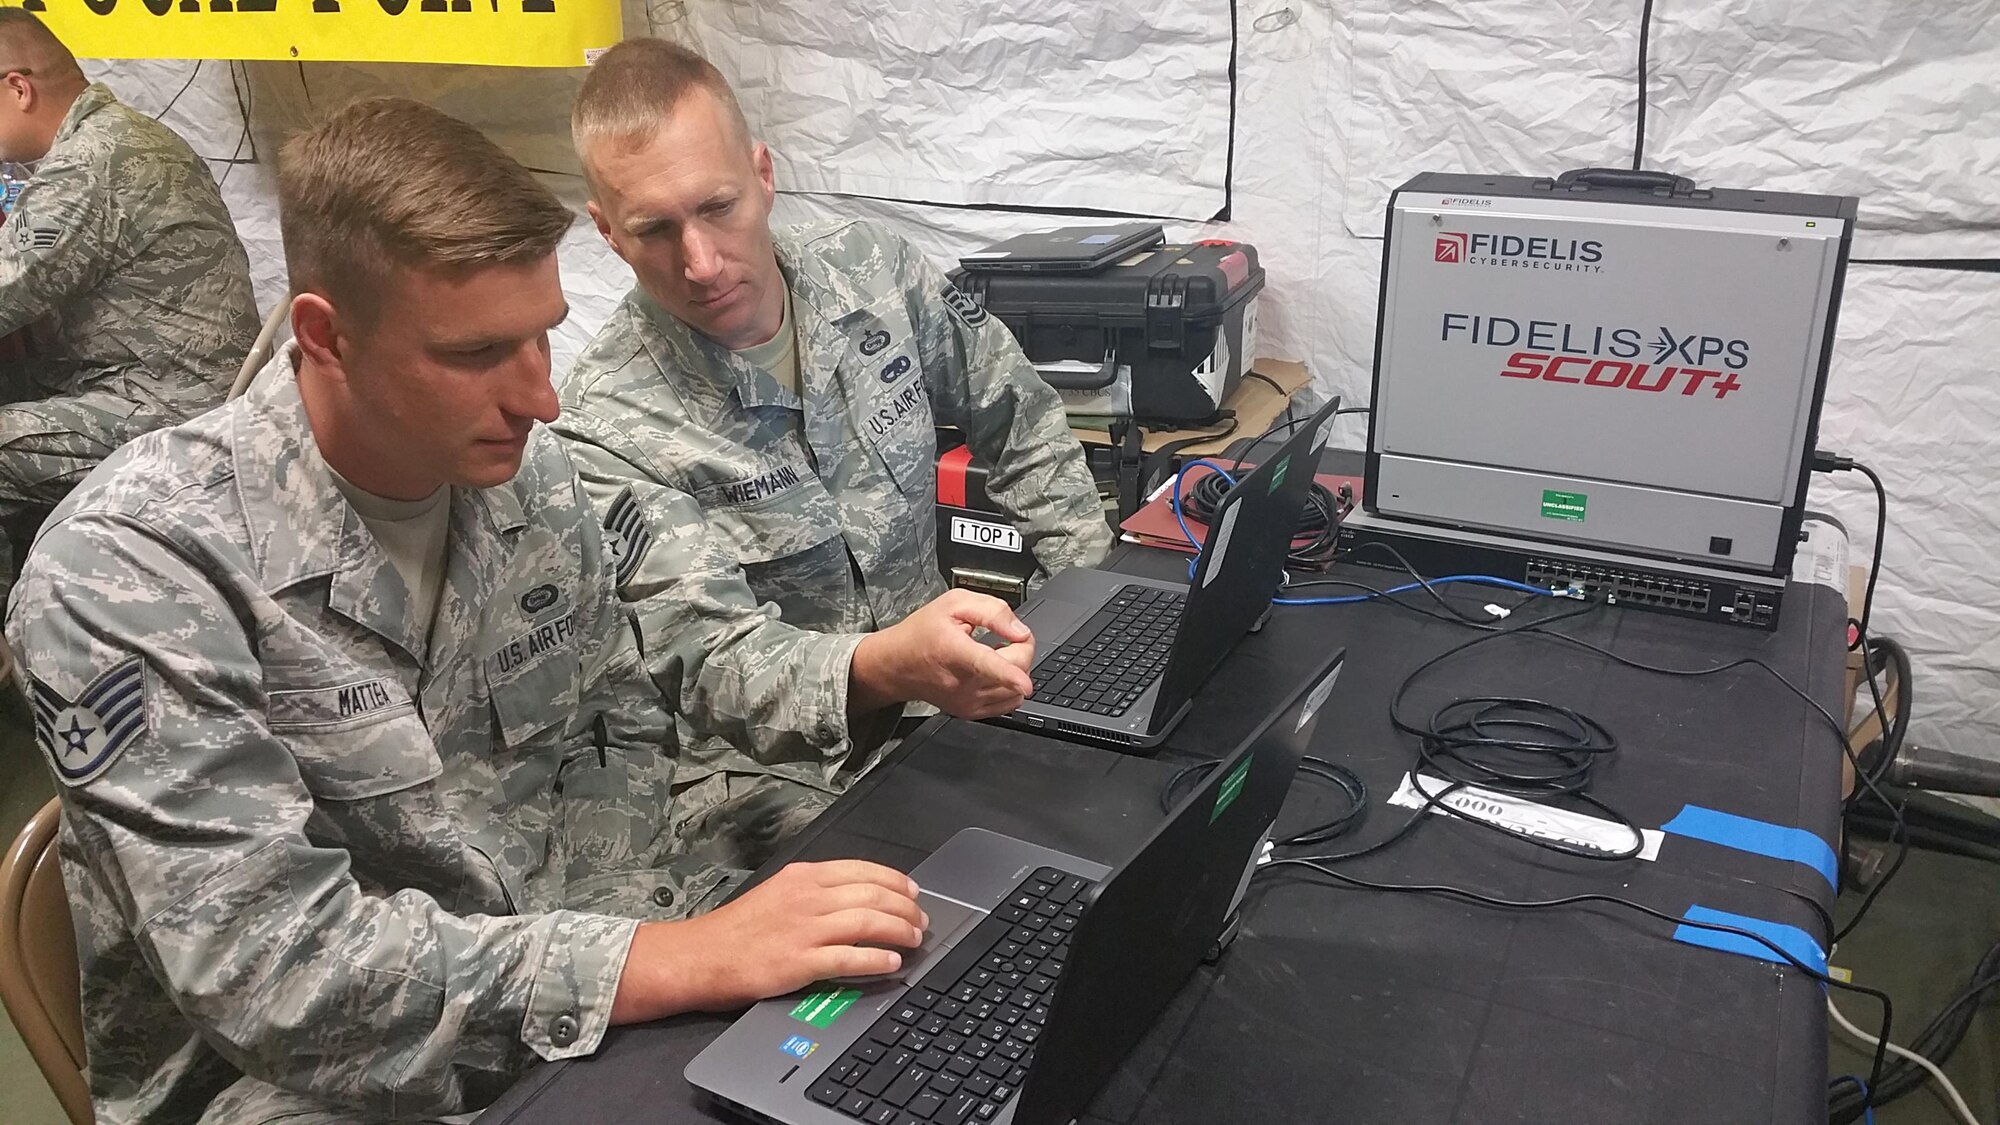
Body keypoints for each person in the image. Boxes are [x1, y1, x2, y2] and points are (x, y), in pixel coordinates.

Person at [6, 97, 925, 1125]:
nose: (542, 399)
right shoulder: (132, 573)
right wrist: (670, 961)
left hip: (557, 952)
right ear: (324, 335)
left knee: (906, 951)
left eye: (540, 340)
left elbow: (666, 669)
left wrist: (869, 673)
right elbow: (275, 975)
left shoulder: (519, 479)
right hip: (308, 1077)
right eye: (477, 354)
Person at [557, 38, 1114, 872]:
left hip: (942, 717)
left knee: (1118, 818)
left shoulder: (874, 274)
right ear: (606, 231)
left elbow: (1019, 416)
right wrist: (891, 665)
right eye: (655, 230)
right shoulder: (604, 424)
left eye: (718, 207)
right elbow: (714, 662)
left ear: (764, 174)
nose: (701, 262)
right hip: (765, 782)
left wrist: (1086, 611)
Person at [0, 10, 256, 602]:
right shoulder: (124, 136)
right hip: (155, 379)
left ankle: (12, 651)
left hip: (167, 402)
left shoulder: (93, 162)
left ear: (19, 89)